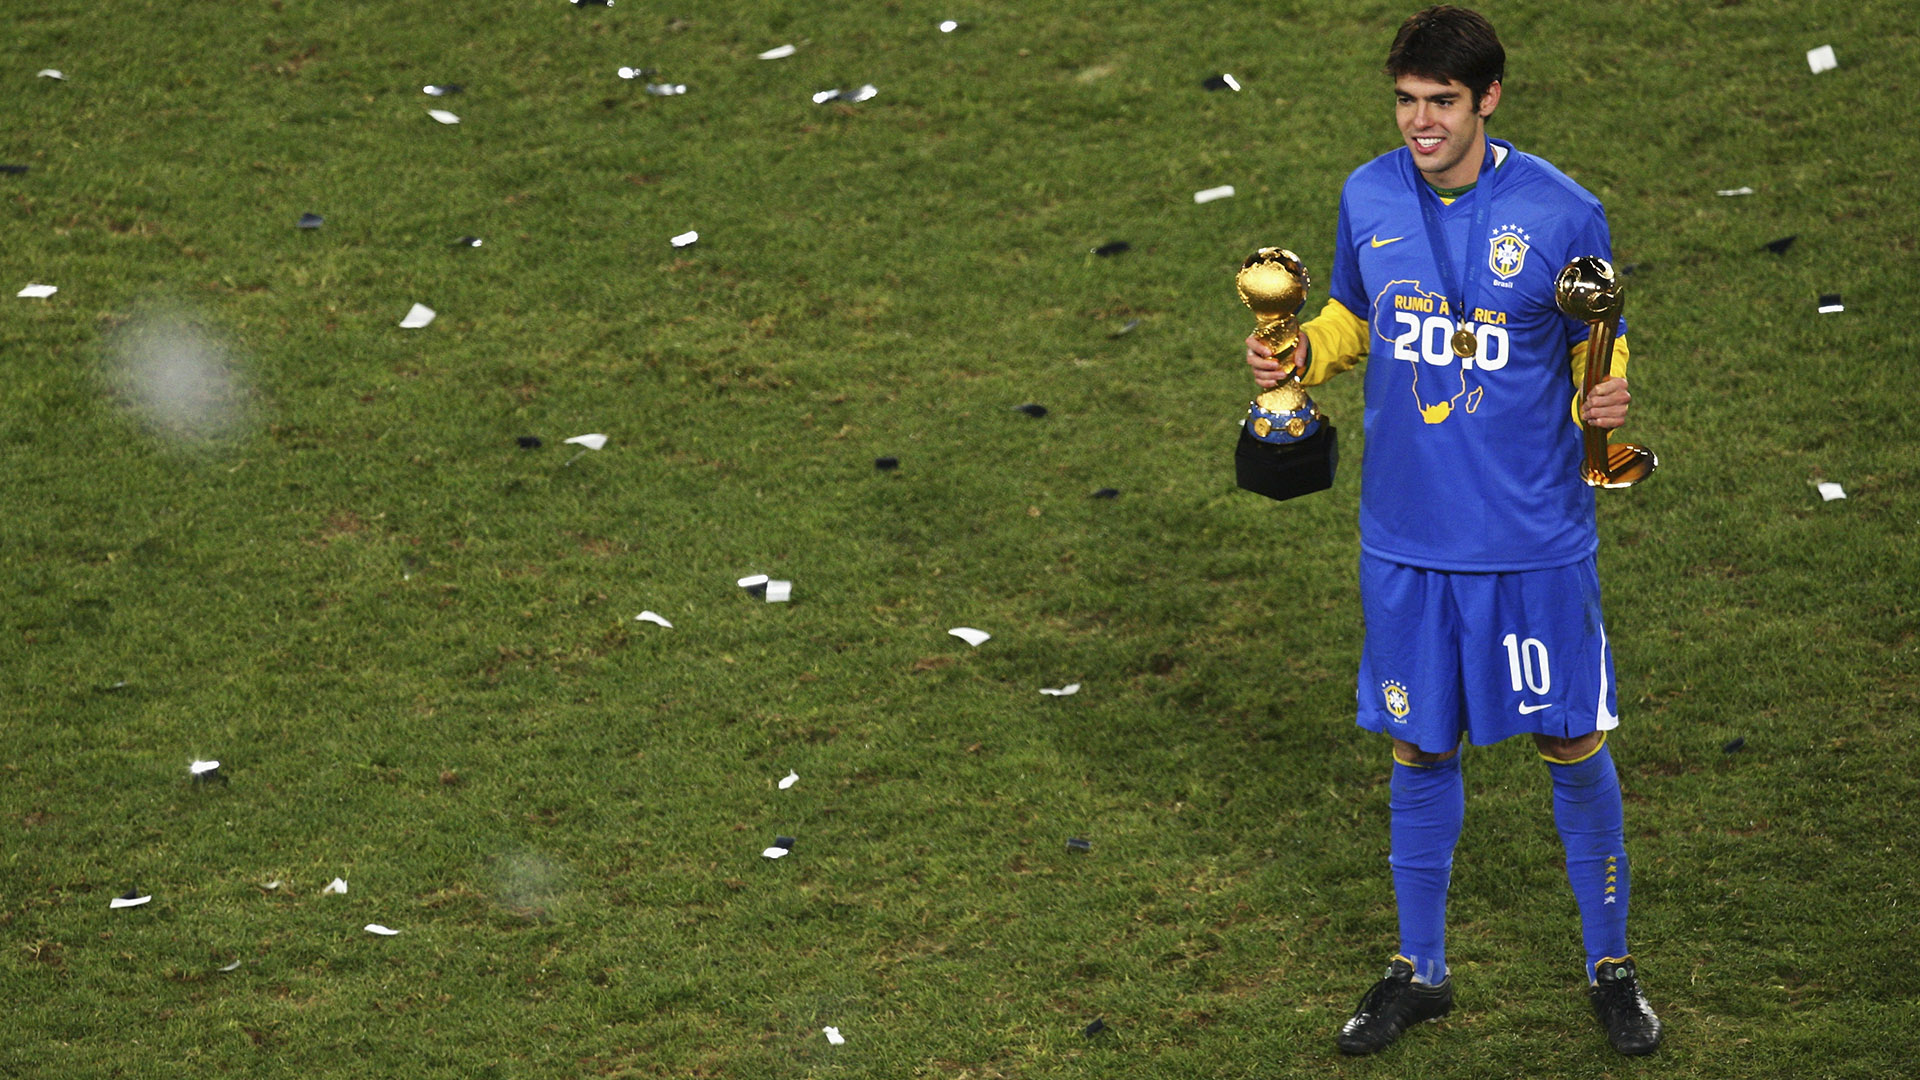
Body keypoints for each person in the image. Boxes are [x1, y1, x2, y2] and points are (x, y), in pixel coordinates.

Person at [1243, 5, 1662, 1057]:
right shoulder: (1368, 193)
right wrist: (1300, 356)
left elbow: (1594, 340)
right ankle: (1420, 970)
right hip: (1407, 536)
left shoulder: (1564, 211)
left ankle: (1610, 966)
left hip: (1530, 540)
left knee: (1572, 739)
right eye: (1406, 99)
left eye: (1440, 102)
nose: (1419, 122)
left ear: (1488, 100)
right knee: (1419, 747)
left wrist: (1607, 397)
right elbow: (1352, 311)